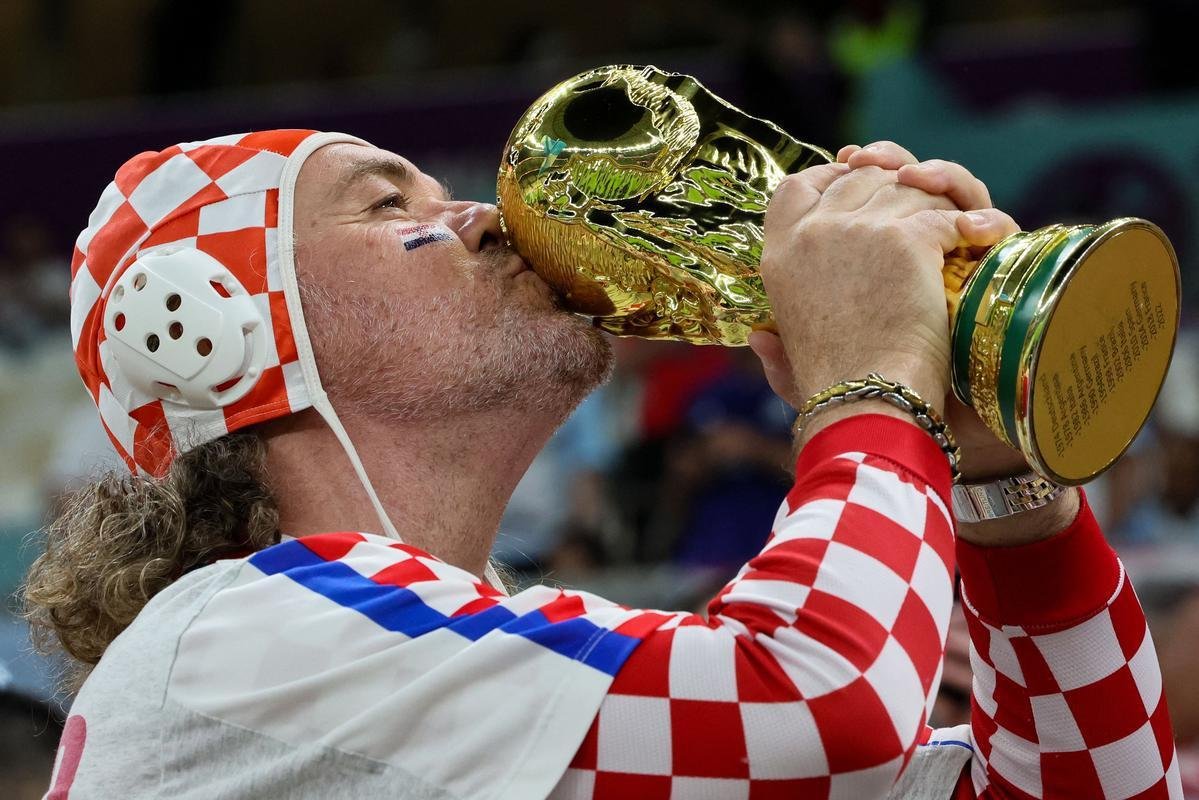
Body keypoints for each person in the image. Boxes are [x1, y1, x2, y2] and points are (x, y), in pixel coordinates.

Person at [24, 130, 1177, 798]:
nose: (482, 215)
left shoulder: (478, 678)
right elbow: (823, 700)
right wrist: (871, 384)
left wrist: (991, 483)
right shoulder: (235, 639)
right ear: (218, 328)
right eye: (386, 203)